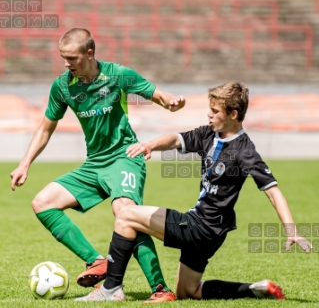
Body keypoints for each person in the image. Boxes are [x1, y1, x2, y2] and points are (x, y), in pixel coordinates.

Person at [76, 82, 312, 302]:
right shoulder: (210, 134)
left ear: (233, 114)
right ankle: (252, 289)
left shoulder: (245, 151)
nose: (209, 115)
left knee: (126, 214)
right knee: (188, 291)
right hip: (214, 232)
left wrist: (291, 231)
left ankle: (111, 289)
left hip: (201, 227)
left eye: (215, 111)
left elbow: (273, 191)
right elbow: (176, 139)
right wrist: (150, 145)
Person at [10, 28, 186, 303]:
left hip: (124, 157)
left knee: (126, 212)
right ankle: (97, 261)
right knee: (42, 202)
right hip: (94, 164)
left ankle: (160, 289)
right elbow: (45, 128)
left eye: (72, 58)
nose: (67, 64)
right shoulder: (63, 86)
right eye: (63, 58)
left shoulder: (118, 75)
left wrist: (173, 103)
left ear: (89, 53)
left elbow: (159, 96)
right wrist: (24, 164)